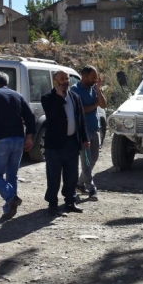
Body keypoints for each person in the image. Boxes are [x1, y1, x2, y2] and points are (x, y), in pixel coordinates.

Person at [0, 71, 36, 221]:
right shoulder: (17, 95)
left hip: (1, 140)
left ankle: (11, 198)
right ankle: (8, 209)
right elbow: (30, 116)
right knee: (12, 174)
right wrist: (29, 136)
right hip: (18, 140)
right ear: (7, 83)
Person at [41, 70, 90, 217]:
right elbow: (51, 115)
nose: (65, 81)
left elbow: (81, 119)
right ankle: (52, 204)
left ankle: (70, 202)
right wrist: (59, 97)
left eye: (67, 78)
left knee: (71, 175)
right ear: (55, 82)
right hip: (54, 145)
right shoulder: (47, 97)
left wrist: (84, 138)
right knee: (54, 175)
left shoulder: (75, 97)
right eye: (62, 79)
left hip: (71, 143)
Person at [70, 66, 106, 201]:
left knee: (94, 159)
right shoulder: (74, 90)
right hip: (83, 132)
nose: (95, 80)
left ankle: (79, 183)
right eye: (93, 78)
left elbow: (103, 105)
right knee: (86, 161)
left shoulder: (93, 89)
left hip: (94, 129)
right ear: (84, 77)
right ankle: (91, 189)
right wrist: (94, 105)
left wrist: (98, 90)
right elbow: (80, 110)